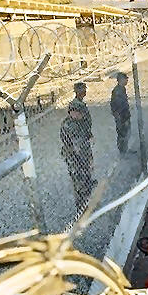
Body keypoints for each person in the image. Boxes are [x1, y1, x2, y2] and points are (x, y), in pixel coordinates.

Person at [60, 82, 96, 212]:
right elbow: (73, 144)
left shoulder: (78, 121)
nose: (80, 115)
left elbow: (85, 128)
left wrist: (89, 136)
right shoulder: (69, 125)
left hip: (83, 153)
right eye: (77, 113)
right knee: (79, 181)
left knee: (86, 177)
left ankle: (87, 199)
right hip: (75, 157)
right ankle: (81, 206)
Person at [110, 72, 131, 154]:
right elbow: (116, 105)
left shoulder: (122, 89)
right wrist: (119, 116)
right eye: (125, 79)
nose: (127, 81)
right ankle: (122, 152)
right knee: (122, 133)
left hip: (124, 115)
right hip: (121, 116)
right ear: (121, 80)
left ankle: (125, 149)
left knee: (126, 133)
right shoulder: (117, 91)